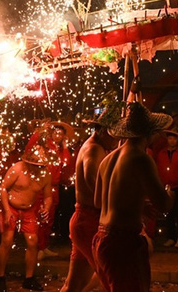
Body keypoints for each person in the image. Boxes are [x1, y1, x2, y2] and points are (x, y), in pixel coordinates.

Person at [93, 102, 174, 291]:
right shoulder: (140, 158)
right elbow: (162, 204)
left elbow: (98, 202)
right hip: (122, 242)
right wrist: (170, 193)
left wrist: (132, 203)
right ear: (150, 133)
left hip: (101, 238)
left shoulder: (108, 159)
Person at [60, 107, 119, 292]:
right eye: (115, 135)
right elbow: (98, 195)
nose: (116, 139)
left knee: (74, 285)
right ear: (103, 130)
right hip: (89, 222)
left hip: (84, 221)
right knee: (111, 279)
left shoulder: (95, 146)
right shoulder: (94, 151)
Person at [0, 145, 52, 292]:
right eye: (34, 165)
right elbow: (2, 188)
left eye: (40, 166)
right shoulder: (17, 169)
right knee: (7, 240)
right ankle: (0, 277)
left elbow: (48, 196)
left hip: (29, 210)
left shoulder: (45, 175)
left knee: (33, 241)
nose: (37, 168)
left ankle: (29, 278)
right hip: (11, 206)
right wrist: (7, 210)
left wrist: (46, 207)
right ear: (28, 162)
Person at [26, 120, 75, 259]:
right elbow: (30, 148)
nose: (58, 135)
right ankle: (36, 247)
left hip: (54, 188)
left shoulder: (60, 150)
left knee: (49, 218)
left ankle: (43, 246)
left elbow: (66, 163)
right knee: (40, 216)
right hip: (41, 187)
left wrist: (65, 146)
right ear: (51, 133)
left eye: (61, 134)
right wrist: (39, 131)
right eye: (56, 132)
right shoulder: (45, 145)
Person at [156, 128, 178, 249]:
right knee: (169, 214)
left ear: (177, 140)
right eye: (170, 138)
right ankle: (171, 237)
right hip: (166, 188)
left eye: (174, 138)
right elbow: (159, 169)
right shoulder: (161, 154)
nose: (172, 141)